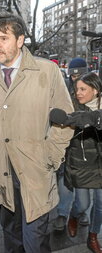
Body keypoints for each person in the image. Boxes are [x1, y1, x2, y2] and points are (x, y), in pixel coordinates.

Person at [0, 15, 74, 253]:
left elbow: (66, 120)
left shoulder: (47, 71)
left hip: (34, 171)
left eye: (3, 38)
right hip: (0, 171)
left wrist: (50, 156)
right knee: (12, 239)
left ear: (20, 40)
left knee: (35, 242)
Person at [65, 72, 102, 253]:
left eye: (83, 89)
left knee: (101, 204)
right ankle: (74, 215)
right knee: (83, 204)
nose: (78, 92)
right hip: (82, 163)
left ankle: (93, 236)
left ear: (95, 91)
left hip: (100, 163)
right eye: (77, 89)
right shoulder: (73, 107)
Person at [53, 57, 89, 231]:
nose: (76, 79)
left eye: (80, 75)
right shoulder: (63, 91)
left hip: (86, 152)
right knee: (64, 184)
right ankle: (62, 214)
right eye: (73, 77)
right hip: (66, 147)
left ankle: (78, 212)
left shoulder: (94, 92)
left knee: (83, 202)